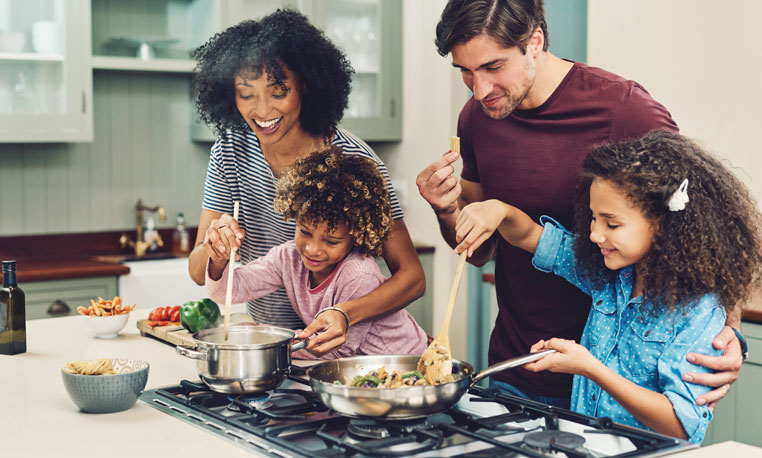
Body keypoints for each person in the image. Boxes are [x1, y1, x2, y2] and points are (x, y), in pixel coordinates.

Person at [417, 0, 744, 408]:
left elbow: (699, 223)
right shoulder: (476, 119)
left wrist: (729, 331)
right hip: (515, 369)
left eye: (493, 67)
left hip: (621, 391)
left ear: (534, 41)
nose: (480, 90)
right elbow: (481, 251)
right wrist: (447, 210)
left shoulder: (624, 109)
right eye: (465, 72)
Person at [452, 130, 762, 443]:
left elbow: (681, 423)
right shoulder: (607, 274)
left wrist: (590, 367)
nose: (596, 234)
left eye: (611, 224)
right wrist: (499, 211)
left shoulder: (698, 311)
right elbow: (531, 236)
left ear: (662, 224)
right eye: (593, 219)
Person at [188, 9, 425, 356]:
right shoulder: (229, 151)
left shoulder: (354, 162)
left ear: (306, 86)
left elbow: (412, 278)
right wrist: (216, 249)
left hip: (334, 352)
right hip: (276, 346)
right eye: (246, 93)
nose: (262, 109)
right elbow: (199, 271)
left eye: (279, 90)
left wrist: (344, 313)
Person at [205, 148, 428, 359]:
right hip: (357, 365)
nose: (312, 249)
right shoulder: (288, 258)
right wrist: (219, 258)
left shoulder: (358, 274)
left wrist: (264, 337)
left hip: (402, 359)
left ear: (356, 236)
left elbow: (336, 350)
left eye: (331, 241)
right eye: (305, 232)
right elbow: (227, 291)